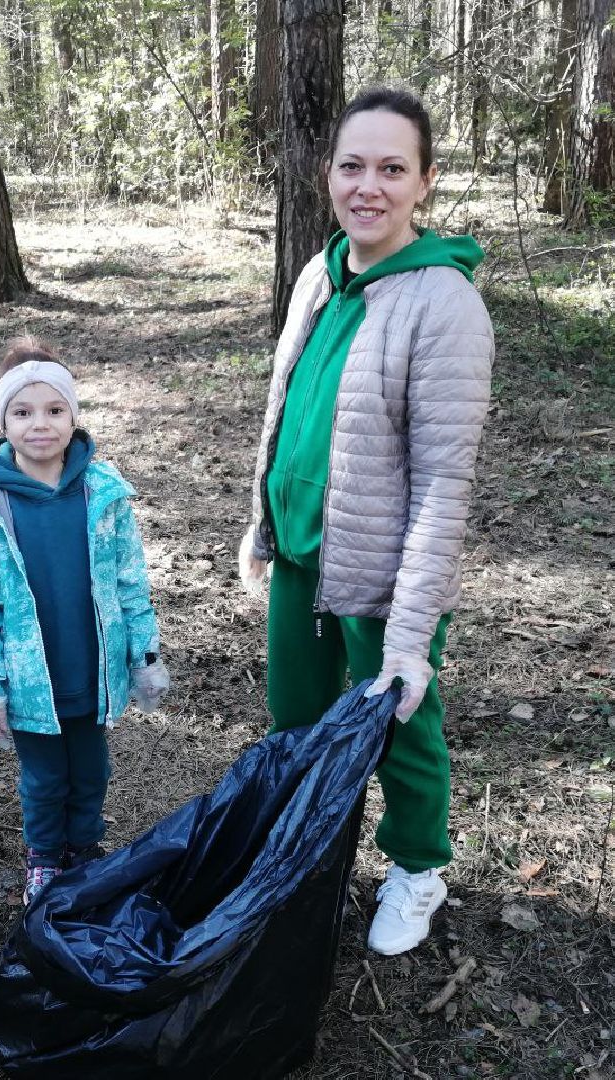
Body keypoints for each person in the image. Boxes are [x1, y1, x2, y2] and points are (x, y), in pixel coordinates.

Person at [240, 87, 494, 956]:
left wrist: (411, 636)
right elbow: (285, 408)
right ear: (328, 173)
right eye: (353, 165)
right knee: (296, 720)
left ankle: (418, 870)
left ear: (424, 181)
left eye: (392, 168)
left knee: (400, 727)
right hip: (303, 557)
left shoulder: (445, 302)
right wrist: (264, 523)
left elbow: (444, 486)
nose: (368, 186)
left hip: (387, 574)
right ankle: (307, 858)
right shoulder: (319, 275)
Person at [0, 336, 171, 906]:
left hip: (92, 669)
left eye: (54, 410)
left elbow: (129, 580)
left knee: (91, 770)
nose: (40, 425)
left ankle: (85, 852)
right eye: (22, 413)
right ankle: (45, 859)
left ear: (74, 417)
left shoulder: (103, 493)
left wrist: (144, 655)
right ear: (3, 422)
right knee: (46, 778)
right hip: (30, 678)